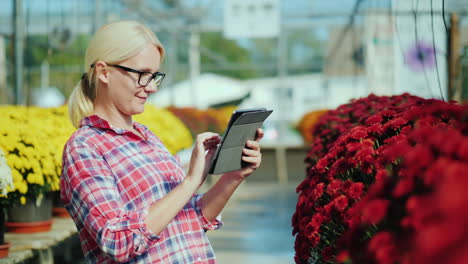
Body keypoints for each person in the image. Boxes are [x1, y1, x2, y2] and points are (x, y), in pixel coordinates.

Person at [61, 20, 263, 264]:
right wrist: (189, 182)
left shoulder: (149, 138)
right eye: (143, 75)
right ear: (104, 72)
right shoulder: (85, 148)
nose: (152, 88)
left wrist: (233, 176)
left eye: (154, 76)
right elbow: (117, 241)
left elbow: (189, 221)